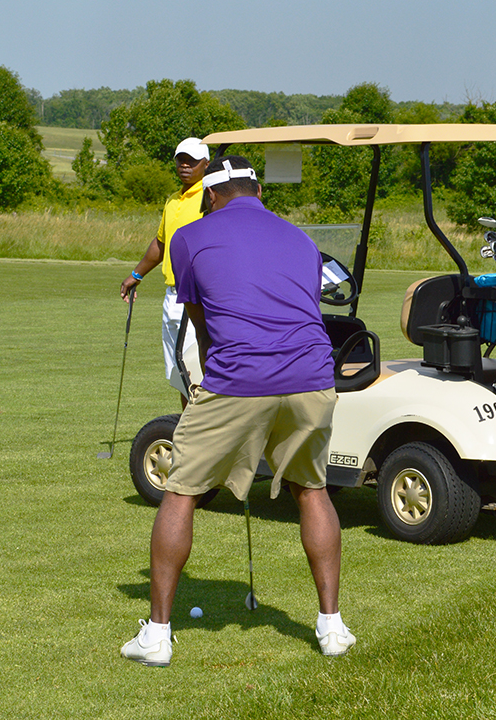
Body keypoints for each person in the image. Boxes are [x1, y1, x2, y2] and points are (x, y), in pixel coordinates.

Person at [121, 155, 354, 666]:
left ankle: (157, 636)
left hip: (239, 376)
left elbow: (204, 328)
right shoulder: (300, 238)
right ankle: (333, 627)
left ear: (210, 195)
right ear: (259, 192)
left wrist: (216, 386)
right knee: (311, 489)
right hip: (312, 376)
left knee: (181, 490)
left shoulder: (187, 237)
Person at [119, 137, 208, 407]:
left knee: (197, 367)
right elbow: (161, 242)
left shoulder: (211, 196)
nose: (184, 165)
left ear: (205, 164)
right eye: (181, 159)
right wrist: (136, 275)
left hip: (198, 297)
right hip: (172, 295)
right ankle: (187, 428)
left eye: (191, 161)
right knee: (179, 371)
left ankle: (204, 432)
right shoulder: (172, 200)